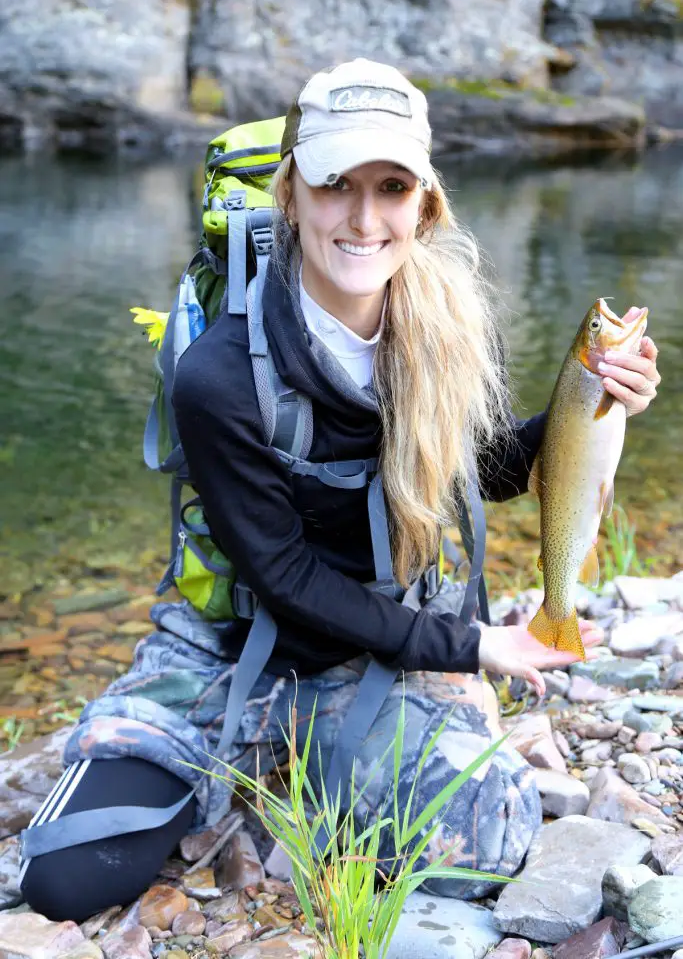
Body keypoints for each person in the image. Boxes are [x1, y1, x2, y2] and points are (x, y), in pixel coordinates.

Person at [19, 59, 661, 923]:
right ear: (291, 194)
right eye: (335, 185)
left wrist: (589, 405)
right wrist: (472, 648)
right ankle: (253, 756)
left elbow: (491, 471)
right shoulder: (218, 376)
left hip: (373, 643)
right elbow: (282, 578)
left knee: (492, 837)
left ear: (424, 206)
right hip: (231, 642)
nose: (364, 219)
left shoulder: (455, 332)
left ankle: (301, 763)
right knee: (66, 877)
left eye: (391, 187)